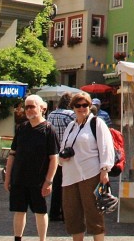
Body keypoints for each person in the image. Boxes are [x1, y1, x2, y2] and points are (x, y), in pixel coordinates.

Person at [60, 91, 115, 241]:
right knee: (72, 216)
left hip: (90, 174)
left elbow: (106, 147)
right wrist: (62, 156)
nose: (82, 108)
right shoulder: (71, 126)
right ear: (73, 107)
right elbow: (62, 148)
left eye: (85, 105)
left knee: (94, 215)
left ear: (90, 106)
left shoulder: (96, 123)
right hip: (70, 176)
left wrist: (105, 170)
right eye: (78, 105)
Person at [4, 94, 59, 241]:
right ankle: (17, 238)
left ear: (42, 108)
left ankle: (42, 239)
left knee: (40, 211)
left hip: (38, 180)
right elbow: (12, 154)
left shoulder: (49, 129)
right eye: (26, 106)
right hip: (19, 178)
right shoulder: (22, 128)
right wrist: (8, 177)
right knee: (18, 210)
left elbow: (54, 158)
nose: (28, 110)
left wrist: (49, 181)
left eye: (32, 106)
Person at [47, 92, 76, 220]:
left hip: (53, 153)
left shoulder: (51, 114)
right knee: (67, 185)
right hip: (67, 154)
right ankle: (65, 213)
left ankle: (53, 212)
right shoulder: (70, 115)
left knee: (56, 183)